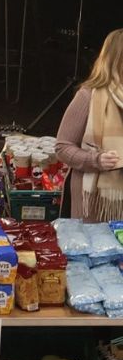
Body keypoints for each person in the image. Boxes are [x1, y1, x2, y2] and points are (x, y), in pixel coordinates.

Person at [55, 28, 123, 223]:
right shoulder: (88, 96)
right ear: (116, 60)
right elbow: (63, 147)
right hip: (92, 206)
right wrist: (96, 160)